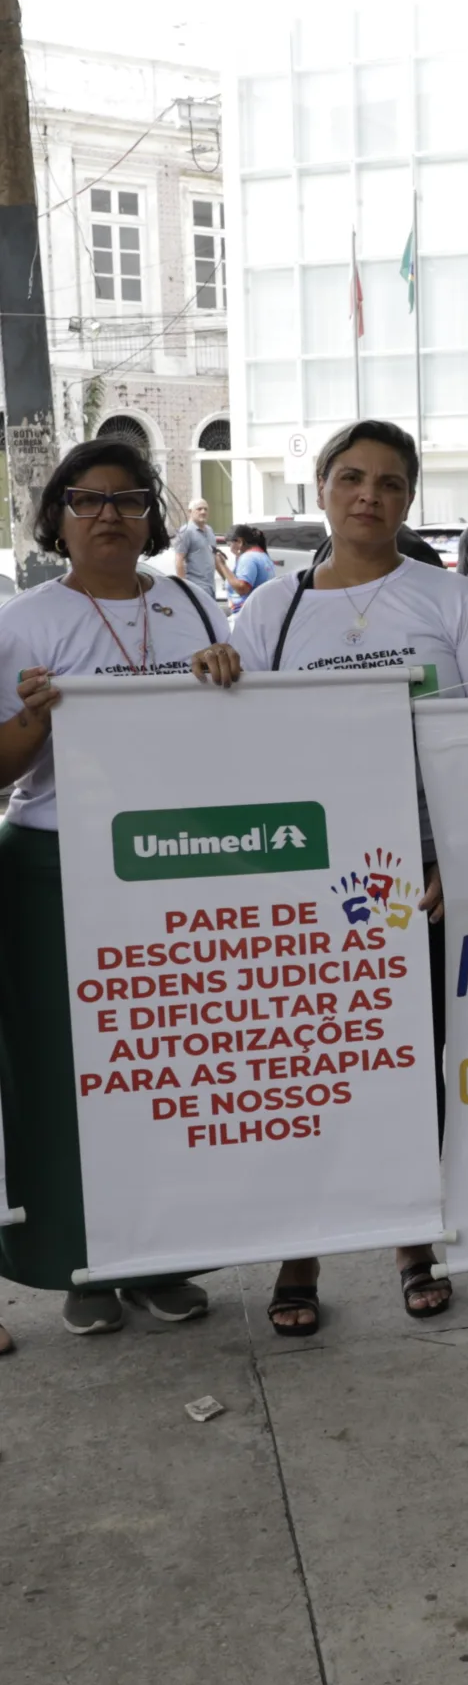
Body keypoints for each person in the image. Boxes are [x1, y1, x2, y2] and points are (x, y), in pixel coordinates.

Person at [223, 419, 468, 1332]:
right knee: (318, 1065)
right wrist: (210, 672)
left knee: (412, 1064)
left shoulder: (449, 599)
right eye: (351, 477)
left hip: (425, 874)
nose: (370, 495)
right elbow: (237, 739)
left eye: (390, 482)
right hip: (313, 877)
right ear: (321, 489)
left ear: (407, 498)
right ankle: (300, 1249)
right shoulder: (270, 611)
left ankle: (410, 1242)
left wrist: (459, 859)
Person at [0, 442, 236, 1339]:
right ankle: (78, 1264)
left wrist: (224, 676)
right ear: (57, 515)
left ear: (152, 516)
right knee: (66, 1077)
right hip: (54, 866)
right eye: (87, 500)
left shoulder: (186, 602)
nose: (109, 516)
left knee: (165, 1068)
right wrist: (35, 716)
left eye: (129, 500)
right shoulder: (23, 620)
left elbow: (228, 731)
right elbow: (3, 766)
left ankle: (163, 1259)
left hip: (172, 863)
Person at [172, 495, 226, 605]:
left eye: (206, 509)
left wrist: (227, 579)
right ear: (190, 511)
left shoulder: (209, 531)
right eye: (199, 509)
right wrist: (184, 588)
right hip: (195, 588)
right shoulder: (186, 531)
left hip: (210, 587)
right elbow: (179, 561)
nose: (203, 512)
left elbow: (215, 558)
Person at [227, 525, 280, 602]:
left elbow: (242, 588)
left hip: (248, 610)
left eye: (230, 545)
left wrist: (222, 565)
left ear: (239, 542)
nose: (230, 549)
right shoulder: (261, 555)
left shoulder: (248, 558)